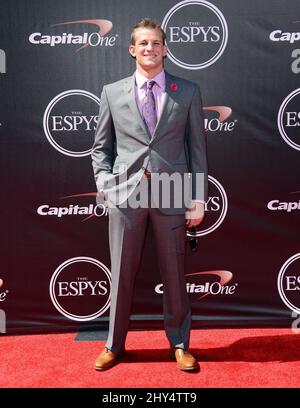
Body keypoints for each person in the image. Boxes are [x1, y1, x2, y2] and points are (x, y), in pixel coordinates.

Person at [91, 18, 208, 371]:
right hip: (126, 194)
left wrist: (197, 197)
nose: (149, 49)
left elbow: (197, 149)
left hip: (171, 191)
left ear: (165, 49)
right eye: (143, 43)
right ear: (132, 49)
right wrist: (104, 186)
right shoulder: (112, 92)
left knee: (174, 274)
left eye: (156, 43)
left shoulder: (186, 91)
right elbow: (101, 149)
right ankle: (114, 345)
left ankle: (180, 344)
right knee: (122, 273)